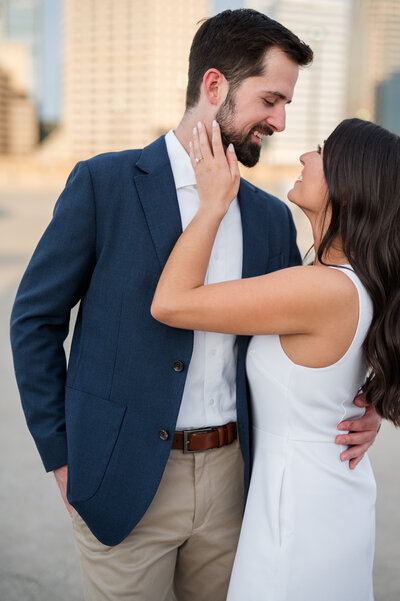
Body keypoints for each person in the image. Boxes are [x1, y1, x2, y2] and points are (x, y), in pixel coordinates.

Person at [10, 9, 380, 601]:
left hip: (236, 483)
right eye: (270, 100)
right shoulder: (103, 184)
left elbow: (305, 334)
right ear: (214, 87)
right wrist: (62, 455)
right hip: (121, 478)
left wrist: (362, 406)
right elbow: (34, 322)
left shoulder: (268, 217)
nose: (280, 121)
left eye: (285, 105)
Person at [151, 117, 400, 600]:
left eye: (322, 151)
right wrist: (366, 401)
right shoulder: (351, 279)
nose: (306, 156)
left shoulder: (321, 288)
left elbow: (171, 304)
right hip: (318, 495)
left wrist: (212, 206)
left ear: (348, 189)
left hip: (297, 511)